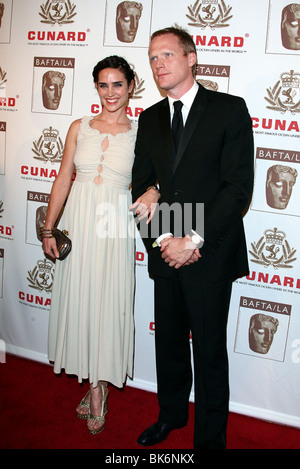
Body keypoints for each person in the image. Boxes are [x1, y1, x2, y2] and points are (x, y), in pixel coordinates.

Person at [131, 26, 254, 449]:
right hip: (165, 252)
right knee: (168, 345)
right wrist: (165, 240)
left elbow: (237, 188)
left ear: (191, 57)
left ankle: (210, 439)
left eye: (166, 54)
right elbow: (142, 186)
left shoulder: (228, 109)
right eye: (152, 57)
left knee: (208, 352)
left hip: (209, 255)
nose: (158, 63)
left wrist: (193, 241)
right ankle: (171, 417)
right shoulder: (148, 119)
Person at [42, 55, 138, 435]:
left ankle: (98, 389)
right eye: (103, 84)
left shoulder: (142, 131)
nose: (110, 92)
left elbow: (156, 181)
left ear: (131, 85)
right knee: (80, 299)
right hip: (78, 222)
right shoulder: (78, 127)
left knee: (105, 301)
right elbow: (64, 177)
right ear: (95, 87)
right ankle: (94, 384)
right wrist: (49, 228)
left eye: (118, 84)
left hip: (113, 224)